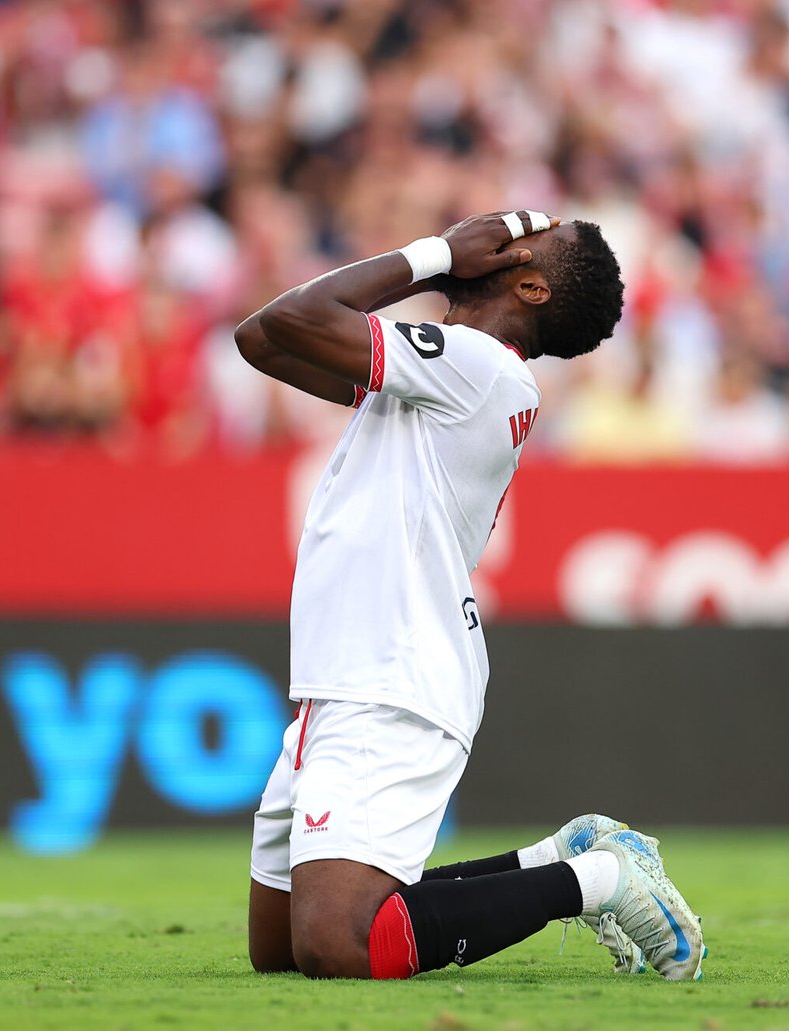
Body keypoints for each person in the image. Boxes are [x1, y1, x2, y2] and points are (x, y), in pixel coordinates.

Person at [235, 210, 704, 981]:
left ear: (529, 284)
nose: (492, 230)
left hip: (391, 674)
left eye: (523, 238)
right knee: (282, 946)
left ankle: (598, 883)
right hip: (344, 677)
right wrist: (439, 258)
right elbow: (263, 336)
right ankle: (557, 857)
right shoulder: (448, 370)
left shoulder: (479, 366)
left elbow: (297, 316)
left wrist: (431, 254)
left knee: (338, 943)